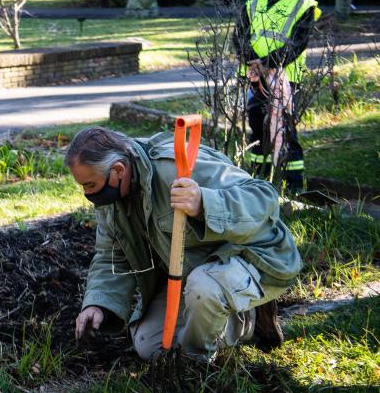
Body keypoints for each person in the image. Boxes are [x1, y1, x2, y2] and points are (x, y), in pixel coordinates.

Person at [67, 127, 302, 361]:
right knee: (149, 344)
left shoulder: (176, 168)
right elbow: (111, 255)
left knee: (204, 289)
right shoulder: (112, 200)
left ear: (118, 170)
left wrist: (204, 203)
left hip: (256, 258)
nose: (87, 193)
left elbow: (264, 198)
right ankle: (236, 321)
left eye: (90, 185)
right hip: (196, 271)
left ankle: (197, 361)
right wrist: (97, 304)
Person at [233, 0, 321, 192]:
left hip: (285, 79)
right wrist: (252, 61)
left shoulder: (303, 4)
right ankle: (259, 180)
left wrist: (267, 63)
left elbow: (297, 42)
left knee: (286, 131)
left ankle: (293, 186)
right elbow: (239, 36)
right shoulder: (253, 3)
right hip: (254, 78)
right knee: (257, 129)